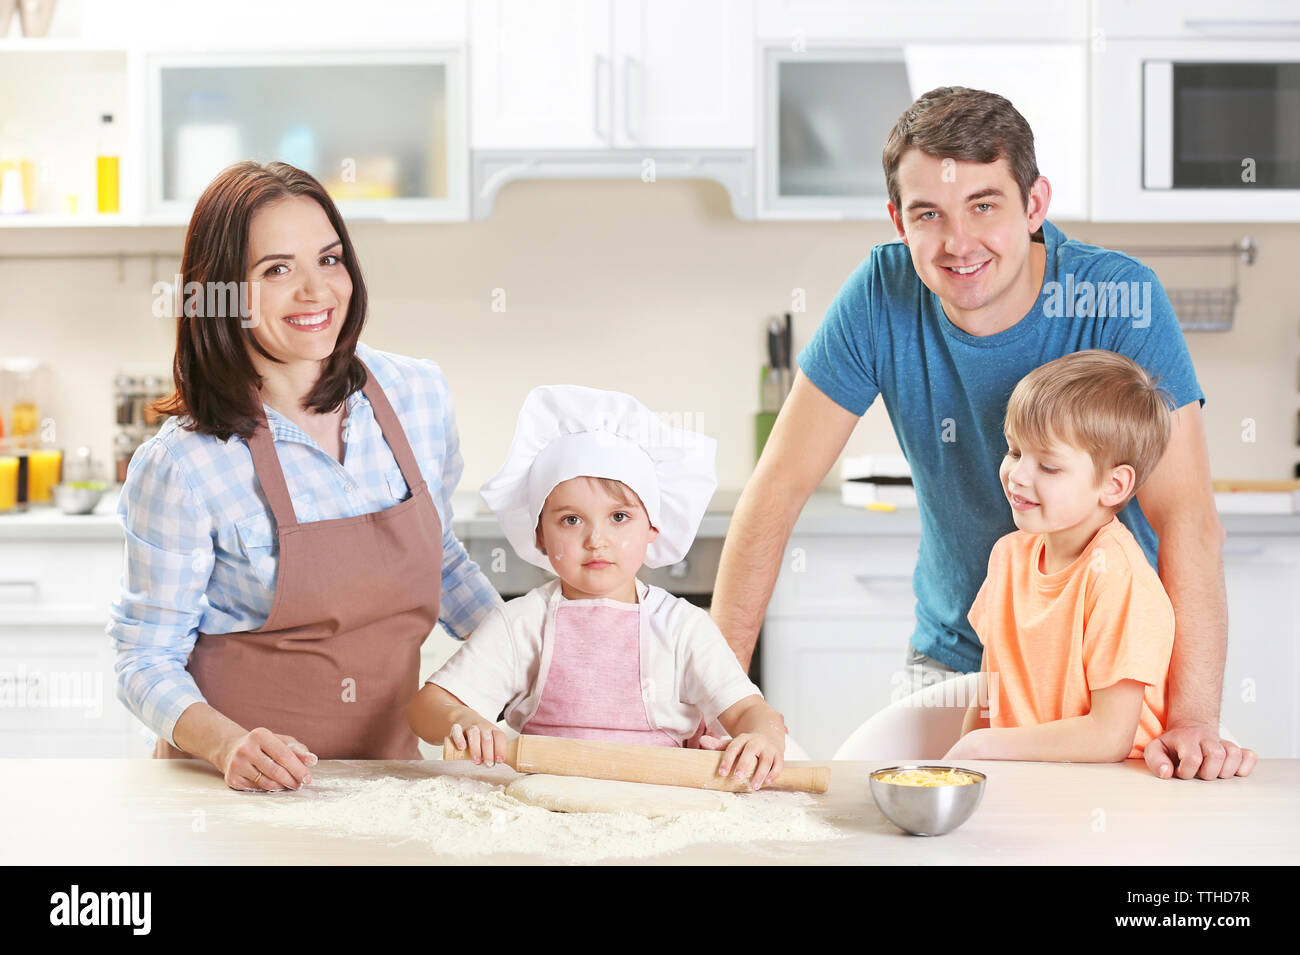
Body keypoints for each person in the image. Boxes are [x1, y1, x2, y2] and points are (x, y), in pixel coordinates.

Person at [710, 86, 1256, 780]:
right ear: (897, 221)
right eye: (929, 214)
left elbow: (1188, 516)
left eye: (984, 206)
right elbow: (778, 489)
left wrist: (1193, 719)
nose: (958, 242)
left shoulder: (1121, 300)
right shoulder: (881, 296)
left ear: (1033, 205)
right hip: (957, 654)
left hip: (1105, 667)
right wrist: (721, 700)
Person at [108, 161, 502, 791]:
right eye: (277, 270)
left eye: (330, 259)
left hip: (390, 783)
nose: (317, 292)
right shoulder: (185, 464)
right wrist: (229, 745)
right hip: (229, 795)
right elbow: (143, 659)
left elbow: (445, 562)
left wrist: (532, 663)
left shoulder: (416, 395)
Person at [409, 386, 789, 789]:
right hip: (543, 812)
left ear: (653, 529)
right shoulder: (521, 624)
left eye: (620, 517)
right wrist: (462, 719)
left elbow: (750, 710)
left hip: (659, 808)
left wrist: (760, 739)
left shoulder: (683, 628)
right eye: (571, 520)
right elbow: (426, 708)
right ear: (539, 535)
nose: (596, 540)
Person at [945, 351, 1175, 762]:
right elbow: (989, 693)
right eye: (1014, 451)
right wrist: (960, 768)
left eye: (1048, 466)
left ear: (1113, 484)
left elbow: (1109, 738)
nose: (1017, 475)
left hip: (1114, 791)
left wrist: (984, 747)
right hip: (1027, 781)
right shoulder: (1008, 557)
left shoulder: (1117, 579)